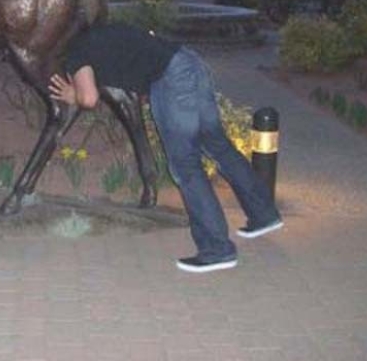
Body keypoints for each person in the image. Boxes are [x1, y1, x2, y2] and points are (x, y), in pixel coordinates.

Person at [49, 23, 282, 273]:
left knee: (185, 165)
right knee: (218, 146)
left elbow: (89, 98)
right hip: (190, 63)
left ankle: (217, 249)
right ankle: (264, 214)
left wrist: (72, 95)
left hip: (170, 79)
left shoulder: (76, 51)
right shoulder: (99, 33)